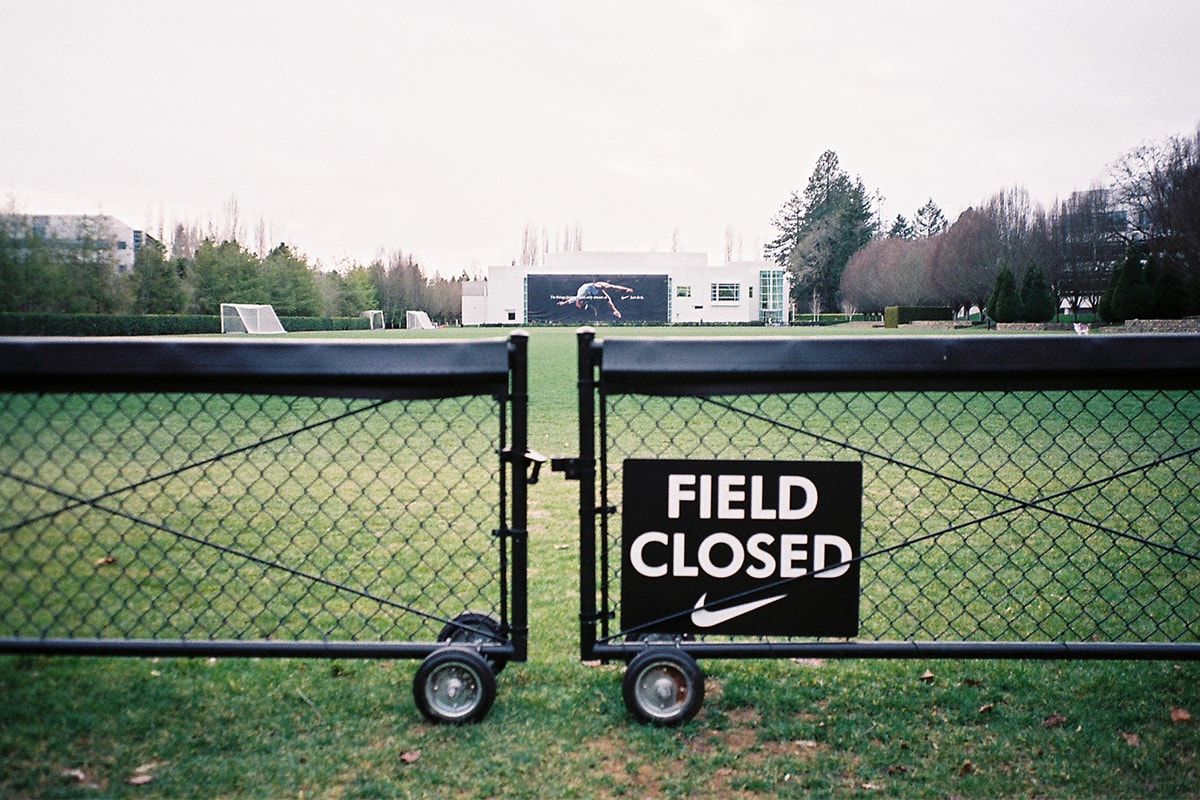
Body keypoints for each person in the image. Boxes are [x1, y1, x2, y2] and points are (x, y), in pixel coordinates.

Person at [557, 280, 635, 318]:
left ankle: (615, 309)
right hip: (590, 292)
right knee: (607, 298)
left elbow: (573, 299)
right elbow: (574, 299)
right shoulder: (584, 299)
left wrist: (564, 303)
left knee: (608, 290)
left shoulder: (582, 295)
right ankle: (615, 310)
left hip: (589, 288)